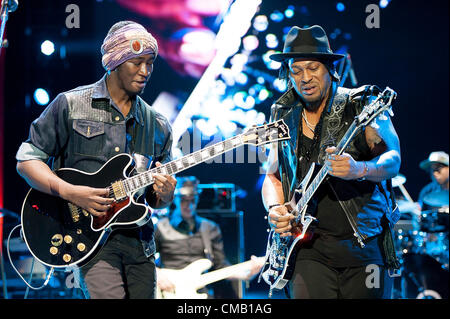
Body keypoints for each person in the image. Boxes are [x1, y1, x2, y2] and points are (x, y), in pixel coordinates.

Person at [15, 21, 177, 299]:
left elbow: (154, 198)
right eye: (136, 62)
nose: (145, 71)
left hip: (141, 244)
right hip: (90, 241)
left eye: (150, 63)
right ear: (114, 62)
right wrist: (72, 192)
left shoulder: (158, 124)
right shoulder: (70, 104)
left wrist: (166, 193)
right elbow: (27, 161)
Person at [261, 25, 401, 299]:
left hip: (362, 246)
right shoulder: (282, 113)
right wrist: (276, 208)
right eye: (296, 70)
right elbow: (273, 175)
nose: (305, 78)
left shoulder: (359, 103)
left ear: (329, 68)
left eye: (313, 68)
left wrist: (360, 169)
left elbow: (393, 159)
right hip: (307, 249)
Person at [155, 176, 262, 298]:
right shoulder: (160, 227)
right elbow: (144, 261)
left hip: (200, 293)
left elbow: (221, 265)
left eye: (193, 200)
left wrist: (246, 274)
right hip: (168, 292)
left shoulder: (210, 228)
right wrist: (157, 274)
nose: (189, 205)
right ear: (175, 200)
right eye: (184, 200)